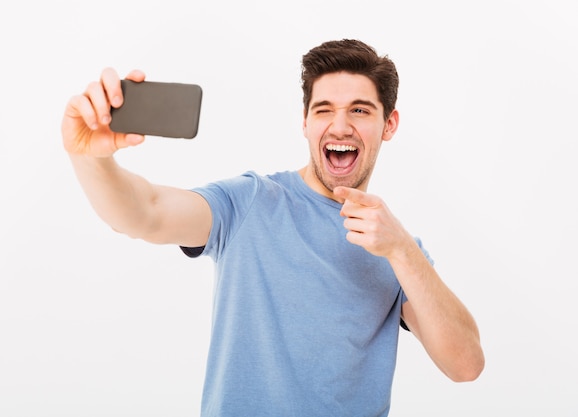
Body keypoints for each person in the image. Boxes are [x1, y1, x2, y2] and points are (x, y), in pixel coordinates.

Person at [61, 39, 484, 417]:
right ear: (305, 122)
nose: (339, 126)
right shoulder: (249, 202)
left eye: (359, 110)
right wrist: (88, 156)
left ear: (388, 124)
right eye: (324, 110)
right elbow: (144, 212)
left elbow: (466, 365)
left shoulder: (395, 245)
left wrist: (402, 250)